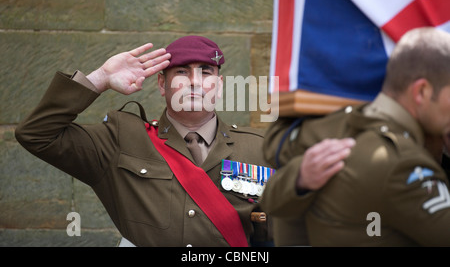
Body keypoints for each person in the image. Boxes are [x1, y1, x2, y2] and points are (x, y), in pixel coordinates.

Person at [15, 35, 273, 247]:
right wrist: (100, 79)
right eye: (182, 72)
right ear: (162, 84)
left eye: (206, 72)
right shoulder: (121, 139)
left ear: (219, 85)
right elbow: (36, 134)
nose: (194, 82)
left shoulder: (258, 148)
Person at [259, 27, 450, 246]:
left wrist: (299, 178)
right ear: (422, 92)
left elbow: (272, 178)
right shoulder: (403, 165)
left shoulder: (332, 126)